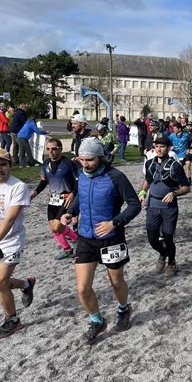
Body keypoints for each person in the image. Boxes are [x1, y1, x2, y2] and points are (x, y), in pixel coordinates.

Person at [61, 137, 141, 344]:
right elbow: (81, 196)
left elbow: (134, 205)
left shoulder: (116, 177)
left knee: (115, 281)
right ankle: (97, 321)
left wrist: (114, 223)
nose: (85, 164)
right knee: (82, 288)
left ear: (101, 157)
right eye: (82, 160)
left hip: (111, 238)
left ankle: (124, 308)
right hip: (86, 238)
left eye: (90, 160)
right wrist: (70, 213)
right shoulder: (82, 175)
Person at [0, 148, 35, 339]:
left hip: (10, 242)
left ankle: (12, 320)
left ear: (10, 165)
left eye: (3, 164)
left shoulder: (17, 187)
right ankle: (26, 283)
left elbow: (10, 219)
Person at [140, 134, 190, 277]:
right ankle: (162, 254)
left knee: (168, 237)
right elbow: (148, 181)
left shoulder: (175, 166)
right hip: (153, 206)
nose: (159, 149)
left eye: (162, 146)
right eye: (156, 146)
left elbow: (187, 187)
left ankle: (172, 262)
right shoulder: (149, 163)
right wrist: (143, 192)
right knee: (152, 238)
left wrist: (174, 194)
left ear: (169, 148)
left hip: (169, 208)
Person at [30, 138, 79, 260]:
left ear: (60, 149)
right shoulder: (45, 164)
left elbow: (79, 181)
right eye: (48, 149)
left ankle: (77, 239)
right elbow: (43, 181)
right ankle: (67, 249)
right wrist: (35, 192)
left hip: (67, 198)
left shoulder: (69, 164)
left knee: (57, 226)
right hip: (53, 199)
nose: (50, 151)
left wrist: (73, 194)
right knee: (53, 228)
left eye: (54, 149)